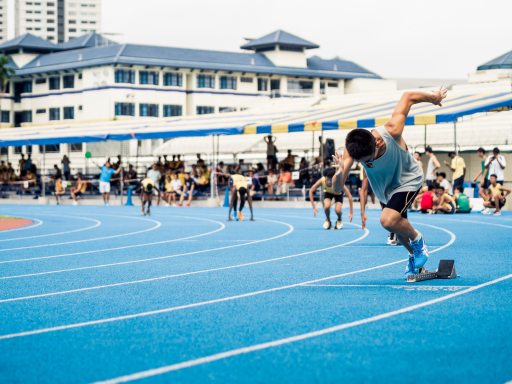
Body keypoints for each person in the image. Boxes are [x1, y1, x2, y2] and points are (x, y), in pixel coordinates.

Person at [336, 87, 447, 277]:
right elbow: (337, 187)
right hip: (385, 189)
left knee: (388, 220)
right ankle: (415, 259)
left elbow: (408, 96)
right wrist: (340, 172)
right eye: (362, 162)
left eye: (368, 160)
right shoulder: (353, 150)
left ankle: (419, 241)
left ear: (377, 143)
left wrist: (434, 98)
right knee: (396, 223)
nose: (366, 163)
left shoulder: (391, 131)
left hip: (408, 179)